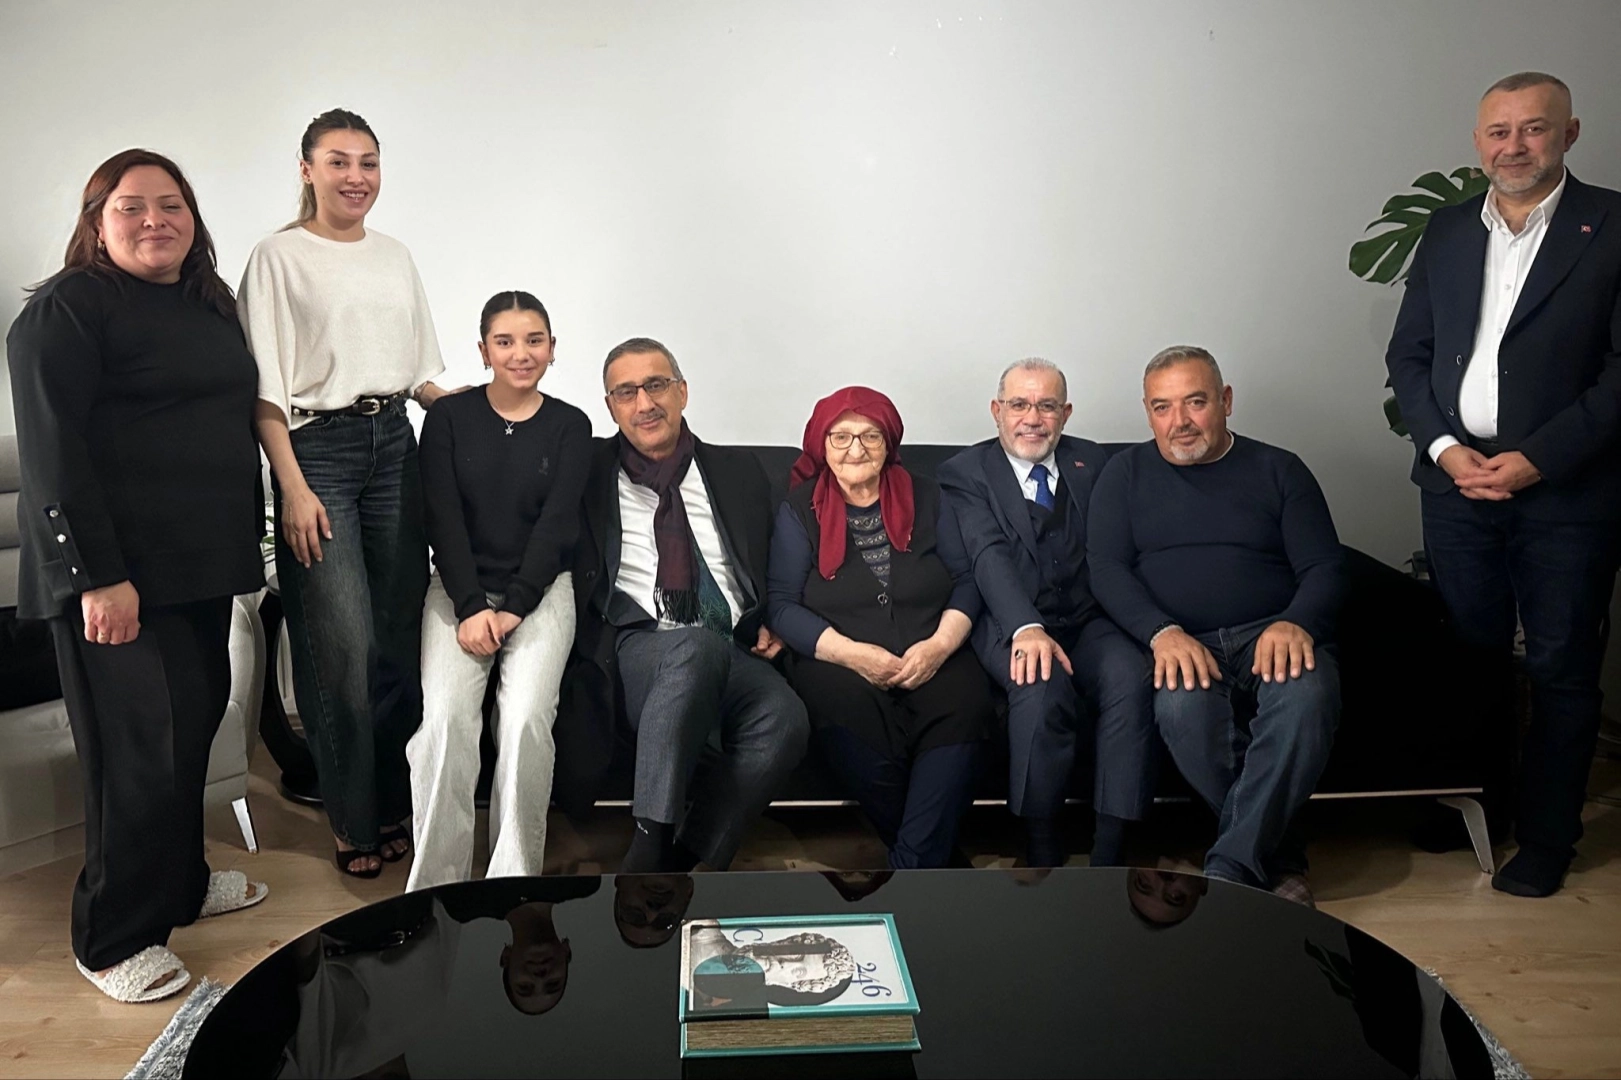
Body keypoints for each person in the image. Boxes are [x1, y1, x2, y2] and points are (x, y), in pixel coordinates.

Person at [6, 150, 268, 1002]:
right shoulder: (66, 310)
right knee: (137, 756)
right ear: (96, 222)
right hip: (117, 579)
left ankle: (181, 885)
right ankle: (112, 936)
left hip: (198, 569)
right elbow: (53, 454)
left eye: (172, 204)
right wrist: (96, 578)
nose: (155, 219)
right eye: (131, 206)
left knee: (189, 731)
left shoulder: (206, 301)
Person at [1384, 72, 1621, 898]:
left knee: (1560, 665)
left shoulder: (1612, 226)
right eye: (1497, 131)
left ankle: (1548, 838)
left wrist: (1538, 458)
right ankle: (1478, 803)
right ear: (1476, 140)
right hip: (1456, 485)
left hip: (1567, 491)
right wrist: (1446, 449)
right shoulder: (1448, 228)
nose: (1512, 146)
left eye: (1532, 129)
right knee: (1469, 658)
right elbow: (1409, 353)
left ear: (1569, 133)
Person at [240, 108, 461, 878]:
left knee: (398, 639)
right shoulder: (277, 258)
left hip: (395, 442)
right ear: (307, 170)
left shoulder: (394, 256)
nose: (356, 176)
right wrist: (291, 488)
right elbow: (264, 391)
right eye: (338, 161)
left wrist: (484, 408)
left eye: (368, 162)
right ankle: (353, 819)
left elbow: (420, 375)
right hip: (317, 452)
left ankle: (395, 802)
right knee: (341, 646)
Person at [1087, 346, 1346, 904]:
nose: (1179, 421)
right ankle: (1280, 860)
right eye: (1162, 407)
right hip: (1183, 641)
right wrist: (1161, 632)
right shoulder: (1123, 474)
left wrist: (1297, 622)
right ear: (1148, 412)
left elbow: (1325, 566)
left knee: (1307, 698)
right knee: (1181, 711)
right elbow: (1105, 570)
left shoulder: (1280, 469)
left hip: (1270, 634)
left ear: (1226, 401)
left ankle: (1230, 869)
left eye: (1195, 402)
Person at [567, 338, 808, 872]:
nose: (644, 403)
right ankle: (649, 846)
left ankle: (691, 864)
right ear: (610, 407)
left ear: (682, 391)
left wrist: (772, 617)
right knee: (693, 646)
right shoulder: (585, 471)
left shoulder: (738, 471)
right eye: (626, 392)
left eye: (656, 385)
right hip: (636, 645)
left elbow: (772, 559)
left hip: (730, 642)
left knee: (784, 717)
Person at [938, 359, 1158, 868]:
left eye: (1047, 406)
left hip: (1088, 619)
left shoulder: (1093, 462)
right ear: (996, 410)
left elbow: (1117, 547)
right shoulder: (964, 473)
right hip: (1008, 620)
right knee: (1039, 682)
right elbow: (987, 555)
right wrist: (1026, 626)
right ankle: (1039, 841)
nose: (1032, 418)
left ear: (1066, 413)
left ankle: (1111, 846)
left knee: (1130, 674)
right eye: (1019, 404)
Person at [406, 291, 589, 890]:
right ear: (484, 351)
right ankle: (435, 885)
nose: (521, 354)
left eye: (534, 340)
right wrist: (469, 607)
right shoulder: (448, 419)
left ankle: (512, 881)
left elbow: (557, 527)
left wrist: (513, 609)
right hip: (458, 589)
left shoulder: (570, 425)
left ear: (553, 349)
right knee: (444, 723)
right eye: (504, 342)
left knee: (527, 720)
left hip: (540, 591)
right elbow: (442, 519)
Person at [768, 387, 993, 869]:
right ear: (821, 445)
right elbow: (782, 605)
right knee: (840, 704)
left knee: (966, 704)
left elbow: (966, 580)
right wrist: (852, 654)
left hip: (932, 645)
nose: (856, 449)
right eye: (841, 437)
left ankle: (911, 864)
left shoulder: (929, 496)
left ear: (889, 443)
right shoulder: (798, 509)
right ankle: (930, 860)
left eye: (870, 436)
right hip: (838, 658)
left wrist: (940, 645)